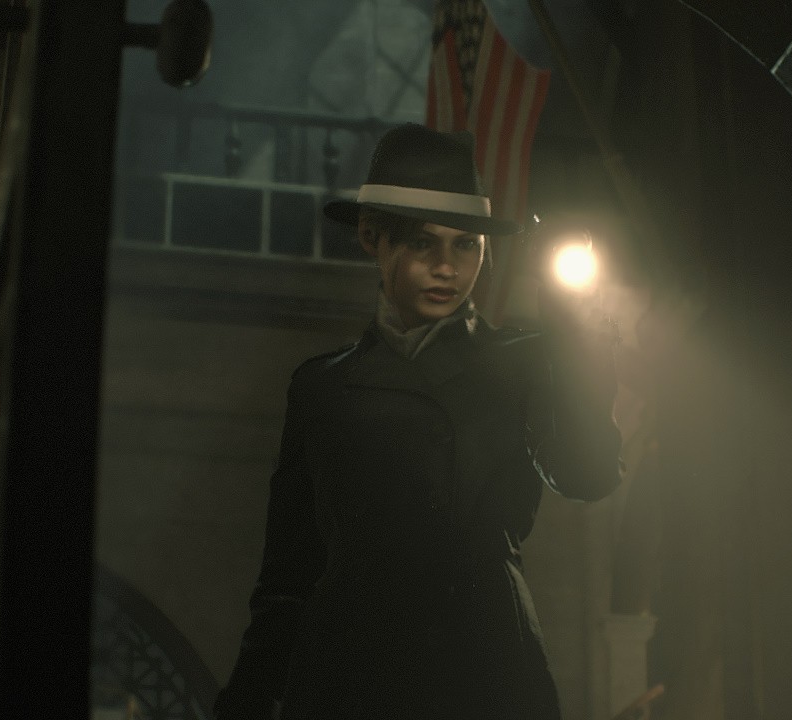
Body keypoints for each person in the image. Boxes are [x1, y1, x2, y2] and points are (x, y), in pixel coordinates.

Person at [213, 123, 622, 720]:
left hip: (484, 674)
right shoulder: (323, 388)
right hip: (352, 678)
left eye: (466, 245)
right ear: (371, 237)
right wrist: (247, 699)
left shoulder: (523, 365)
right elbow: (288, 577)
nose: (446, 267)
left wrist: (578, 347)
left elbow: (587, 475)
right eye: (423, 243)